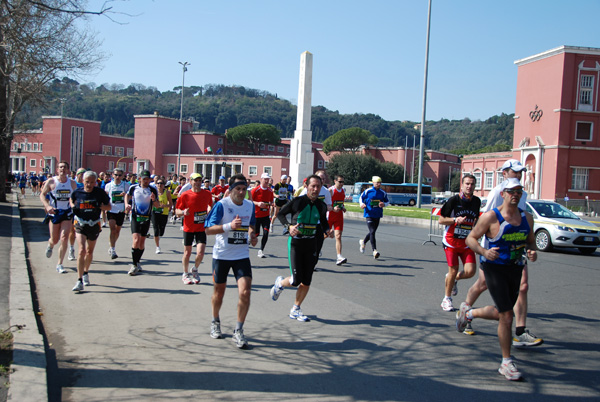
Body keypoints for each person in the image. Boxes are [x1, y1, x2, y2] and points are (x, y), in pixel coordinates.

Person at [457, 178, 537, 381]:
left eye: (519, 191)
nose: (515, 194)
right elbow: (470, 238)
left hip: (515, 268)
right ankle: (506, 362)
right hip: (493, 268)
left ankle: (470, 313)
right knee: (507, 316)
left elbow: (531, 242)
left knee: (503, 314)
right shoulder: (492, 217)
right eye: (511, 191)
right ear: (503, 194)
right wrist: (484, 251)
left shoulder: (527, 217)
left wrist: (532, 251)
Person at [205, 174, 258, 349]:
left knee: (245, 292)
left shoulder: (250, 206)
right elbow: (208, 229)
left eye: (244, 189)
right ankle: (215, 321)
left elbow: (251, 225)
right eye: (238, 189)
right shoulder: (222, 205)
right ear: (230, 190)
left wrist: (251, 234)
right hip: (222, 255)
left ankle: (239, 330)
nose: (242, 192)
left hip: (241, 255)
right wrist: (229, 227)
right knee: (219, 293)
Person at [270, 175, 332, 321]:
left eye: (318, 186)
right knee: (296, 280)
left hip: (311, 244)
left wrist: (327, 230)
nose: (316, 189)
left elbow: (323, 221)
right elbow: (281, 214)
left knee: (307, 280)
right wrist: (289, 226)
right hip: (296, 244)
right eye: (313, 186)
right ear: (307, 186)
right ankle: (280, 283)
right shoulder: (298, 202)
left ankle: (296, 309)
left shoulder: (321, 206)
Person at [438, 174, 480, 312]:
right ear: (462, 185)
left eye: (472, 184)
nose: (469, 186)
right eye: (467, 183)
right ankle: (447, 299)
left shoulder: (476, 201)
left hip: (467, 241)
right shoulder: (453, 200)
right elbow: (441, 220)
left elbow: (475, 220)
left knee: (471, 271)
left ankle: (453, 279)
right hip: (451, 241)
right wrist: (455, 220)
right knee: (454, 269)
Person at [70, 171, 111, 292]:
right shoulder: (78, 192)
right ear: (83, 181)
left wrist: (99, 206)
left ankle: (86, 272)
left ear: (95, 182)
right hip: (80, 224)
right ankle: (79, 280)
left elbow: (109, 206)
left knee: (89, 251)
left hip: (94, 224)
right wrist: (73, 206)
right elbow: (71, 200)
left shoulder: (99, 193)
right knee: (81, 250)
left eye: (92, 182)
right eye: (87, 182)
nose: (89, 184)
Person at [40, 161, 78, 274]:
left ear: (68, 170)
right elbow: (42, 194)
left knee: (64, 237)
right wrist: (47, 206)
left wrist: (75, 205)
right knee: (55, 239)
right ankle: (50, 245)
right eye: (60, 167)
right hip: (54, 212)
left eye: (65, 167)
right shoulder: (51, 181)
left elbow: (76, 197)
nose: (62, 169)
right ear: (57, 169)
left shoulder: (72, 183)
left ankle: (60, 264)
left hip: (67, 213)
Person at [175, 172, 213, 284]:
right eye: (195, 180)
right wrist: (183, 212)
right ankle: (185, 273)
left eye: (199, 180)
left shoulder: (207, 194)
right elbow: (177, 212)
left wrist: (209, 209)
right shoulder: (185, 195)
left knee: (200, 253)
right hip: (188, 227)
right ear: (190, 181)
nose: (197, 183)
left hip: (201, 227)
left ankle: (195, 269)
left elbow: (210, 204)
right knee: (187, 253)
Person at [124, 169, 160, 276]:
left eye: (147, 179)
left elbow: (157, 205)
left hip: (146, 217)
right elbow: (127, 195)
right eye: (144, 179)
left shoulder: (153, 189)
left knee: (141, 242)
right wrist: (127, 204)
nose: (145, 181)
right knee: (136, 240)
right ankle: (134, 265)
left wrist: (153, 200)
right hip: (135, 216)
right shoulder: (133, 188)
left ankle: (138, 261)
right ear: (139, 179)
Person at [359, 176, 389, 259]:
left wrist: (384, 204)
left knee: (372, 231)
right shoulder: (368, 191)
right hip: (369, 214)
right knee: (372, 231)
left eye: (380, 183)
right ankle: (374, 250)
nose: (379, 184)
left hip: (378, 214)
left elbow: (387, 202)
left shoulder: (382, 193)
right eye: (377, 182)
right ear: (373, 183)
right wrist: (362, 204)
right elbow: (361, 198)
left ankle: (363, 242)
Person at [104, 168, 130, 259]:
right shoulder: (108, 185)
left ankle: (112, 243)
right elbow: (105, 197)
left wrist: (125, 195)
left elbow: (130, 196)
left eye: (119, 175)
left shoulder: (126, 185)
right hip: (111, 210)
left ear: (122, 176)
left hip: (121, 210)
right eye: (116, 175)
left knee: (117, 230)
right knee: (112, 229)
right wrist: (105, 207)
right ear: (112, 175)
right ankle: (112, 249)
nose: (117, 177)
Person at [249, 173, 274, 258]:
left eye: (268, 179)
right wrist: (258, 203)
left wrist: (271, 204)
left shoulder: (270, 191)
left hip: (265, 216)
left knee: (266, 233)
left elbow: (271, 201)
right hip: (256, 216)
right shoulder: (255, 190)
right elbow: (250, 201)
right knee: (256, 234)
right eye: (265, 179)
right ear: (262, 179)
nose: (267, 181)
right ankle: (248, 241)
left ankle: (261, 250)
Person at [328, 175, 348, 265]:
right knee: (324, 235)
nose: (341, 184)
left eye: (343, 182)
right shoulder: (330, 190)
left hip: (339, 216)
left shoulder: (343, 191)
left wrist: (343, 207)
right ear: (335, 181)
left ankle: (339, 256)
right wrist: (332, 208)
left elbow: (340, 203)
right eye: (340, 182)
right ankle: (316, 250)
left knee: (338, 236)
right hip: (329, 215)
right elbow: (325, 204)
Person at [151, 178, 173, 254]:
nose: (160, 185)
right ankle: (157, 247)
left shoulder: (167, 193)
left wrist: (165, 205)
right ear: (156, 185)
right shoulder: (153, 193)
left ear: (164, 185)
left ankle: (158, 237)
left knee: (162, 230)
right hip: (154, 212)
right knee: (155, 229)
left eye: (161, 184)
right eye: (158, 183)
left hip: (164, 213)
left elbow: (171, 204)